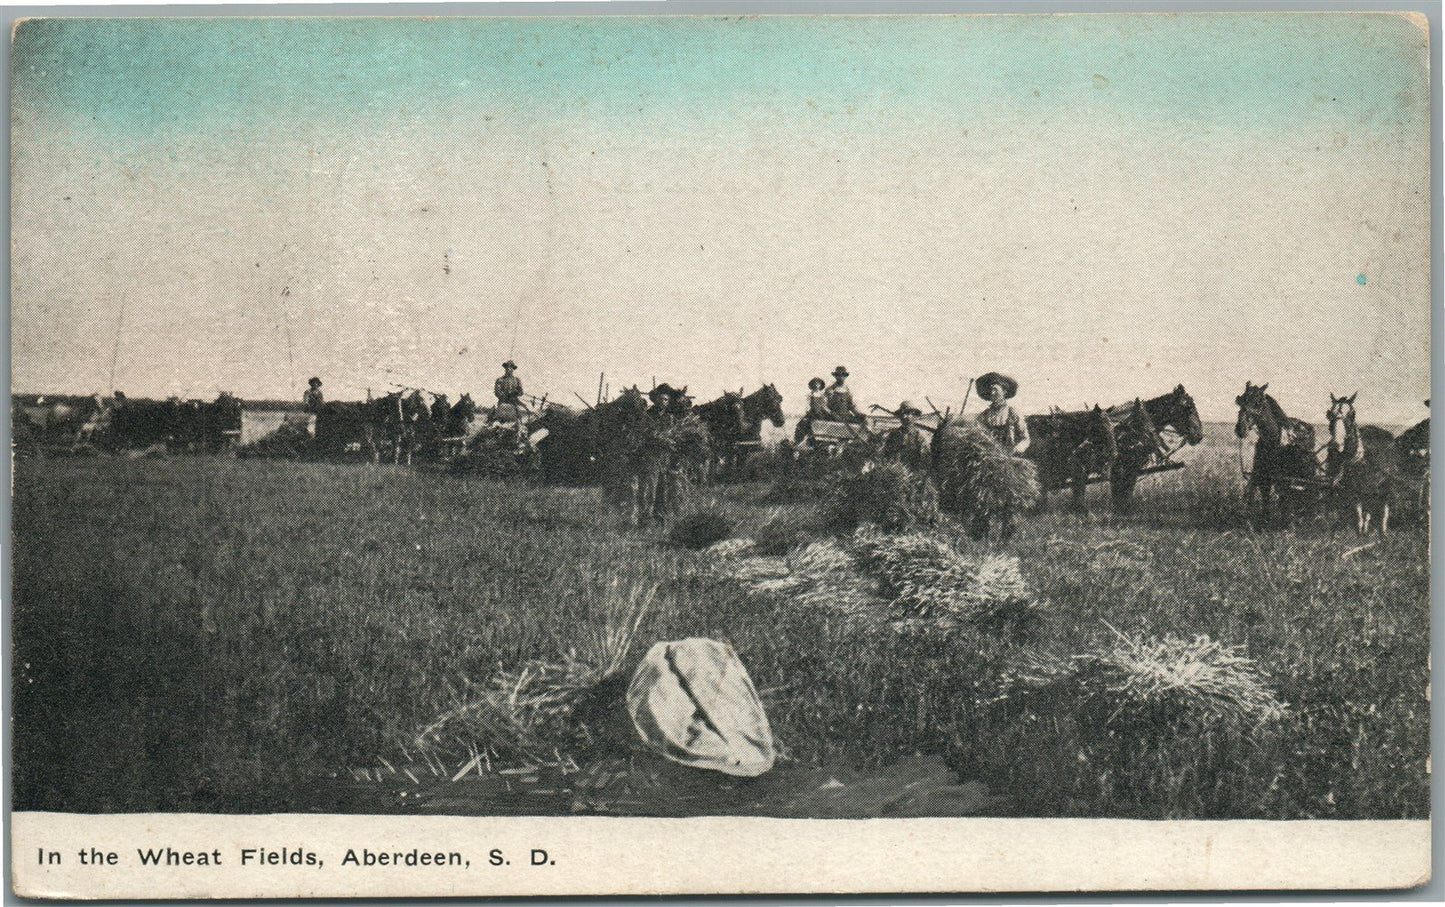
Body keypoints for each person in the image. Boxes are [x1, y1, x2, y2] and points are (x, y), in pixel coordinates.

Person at [975, 371, 1030, 455]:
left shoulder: (1013, 414)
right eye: (990, 390)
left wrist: (1017, 449)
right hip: (987, 458)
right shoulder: (983, 416)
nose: (992, 393)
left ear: (1004, 391)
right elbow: (977, 438)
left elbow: (1025, 439)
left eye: (995, 389)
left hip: (1008, 458)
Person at [881, 401, 930, 470]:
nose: (904, 417)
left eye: (907, 413)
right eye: (902, 414)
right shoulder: (893, 435)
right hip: (895, 474)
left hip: (914, 475)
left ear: (914, 416)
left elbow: (925, 461)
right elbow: (886, 457)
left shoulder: (919, 437)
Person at [794, 377, 830, 443]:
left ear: (820, 385)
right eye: (815, 384)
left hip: (821, 414)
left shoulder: (823, 396)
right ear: (812, 385)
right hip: (812, 413)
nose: (816, 385)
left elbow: (824, 406)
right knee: (802, 425)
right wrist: (808, 410)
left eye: (818, 384)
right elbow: (807, 405)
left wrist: (829, 412)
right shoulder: (810, 395)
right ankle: (800, 441)